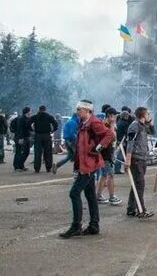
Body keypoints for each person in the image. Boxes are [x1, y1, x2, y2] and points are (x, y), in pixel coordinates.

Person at [59, 100, 114, 238]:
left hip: (89, 164)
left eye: (80, 109)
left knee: (74, 193)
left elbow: (110, 134)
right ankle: (94, 225)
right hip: (86, 163)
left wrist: (99, 147)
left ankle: (76, 226)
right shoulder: (83, 123)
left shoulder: (93, 122)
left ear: (88, 110)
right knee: (90, 195)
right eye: (77, 109)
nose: (77, 112)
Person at [125, 107, 154, 219]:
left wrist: (150, 123)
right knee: (140, 185)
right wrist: (128, 159)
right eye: (147, 114)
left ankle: (131, 208)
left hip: (142, 158)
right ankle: (141, 209)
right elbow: (130, 143)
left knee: (136, 184)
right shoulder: (134, 125)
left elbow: (153, 132)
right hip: (136, 159)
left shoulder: (143, 126)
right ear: (143, 115)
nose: (148, 115)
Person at [95, 108, 121, 206]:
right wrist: (112, 126)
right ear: (110, 116)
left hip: (109, 154)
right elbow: (111, 137)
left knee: (104, 175)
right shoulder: (104, 126)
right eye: (114, 116)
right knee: (110, 175)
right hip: (105, 155)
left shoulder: (109, 125)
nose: (115, 118)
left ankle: (98, 196)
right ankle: (112, 196)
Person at [30, 105, 58, 173]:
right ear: (45, 110)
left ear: (39, 109)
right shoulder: (49, 116)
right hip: (47, 135)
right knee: (48, 152)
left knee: (37, 152)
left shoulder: (35, 117)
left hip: (38, 135)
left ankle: (37, 168)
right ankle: (48, 167)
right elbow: (55, 124)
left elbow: (28, 123)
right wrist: (52, 130)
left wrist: (32, 130)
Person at [114, 106, 134, 174]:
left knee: (120, 155)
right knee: (120, 155)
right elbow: (127, 132)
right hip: (122, 141)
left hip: (118, 140)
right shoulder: (125, 123)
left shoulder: (119, 122)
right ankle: (117, 169)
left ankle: (119, 168)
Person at [12, 107, 32, 172]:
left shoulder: (27, 118)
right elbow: (19, 129)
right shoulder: (21, 119)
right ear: (27, 112)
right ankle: (16, 167)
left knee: (26, 152)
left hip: (26, 137)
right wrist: (20, 138)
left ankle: (21, 165)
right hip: (20, 137)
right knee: (18, 152)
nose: (30, 112)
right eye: (30, 111)